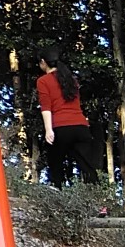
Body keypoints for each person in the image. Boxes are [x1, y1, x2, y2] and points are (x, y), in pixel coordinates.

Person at [36, 46, 98, 188]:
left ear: (43, 62)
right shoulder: (72, 79)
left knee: (55, 164)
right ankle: (101, 204)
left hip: (61, 127)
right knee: (87, 166)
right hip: (81, 127)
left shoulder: (43, 81)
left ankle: (58, 197)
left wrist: (48, 130)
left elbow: (46, 108)